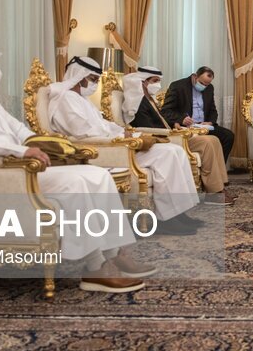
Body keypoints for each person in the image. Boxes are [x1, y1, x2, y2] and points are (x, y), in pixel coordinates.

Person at [0, 43, 153, 293]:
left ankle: (115, 253)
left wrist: (51, 146)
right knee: (76, 183)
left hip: (18, 166)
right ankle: (95, 267)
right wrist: (21, 152)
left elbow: (21, 131)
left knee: (98, 175)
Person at [49, 58, 202, 235]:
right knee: (167, 154)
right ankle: (166, 219)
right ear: (78, 76)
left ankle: (179, 212)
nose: (95, 84)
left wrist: (127, 133)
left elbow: (105, 125)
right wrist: (122, 136)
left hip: (117, 144)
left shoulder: (82, 100)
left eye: (97, 80)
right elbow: (83, 132)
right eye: (92, 79)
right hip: (103, 151)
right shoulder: (66, 99)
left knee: (176, 151)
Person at [123, 65, 235, 206]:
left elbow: (162, 119)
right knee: (207, 142)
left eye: (158, 81)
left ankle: (220, 187)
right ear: (143, 82)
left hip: (175, 131)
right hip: (165, 138)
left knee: (215, 139)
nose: (158, 85)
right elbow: (151, 125)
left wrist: (175, 125)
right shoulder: (139, 102)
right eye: (155, 81)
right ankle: (214, 193)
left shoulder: (149, 99)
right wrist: (178, 123)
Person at [160, 66, 235, 160]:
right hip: (186, 127)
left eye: (207, 84)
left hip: (203, 126)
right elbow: (165, 111)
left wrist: (210, 122)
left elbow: (212, 110)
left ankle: (219, 166)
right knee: (210, 141)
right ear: (195, 76)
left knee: (228, 136)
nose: (204, 86)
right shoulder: (178, 86)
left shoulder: (209, 88)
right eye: (202, 83)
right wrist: (181, 119)